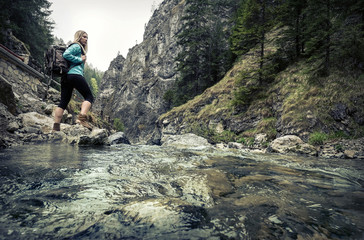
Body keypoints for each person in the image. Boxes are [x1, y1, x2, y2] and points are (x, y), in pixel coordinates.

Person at [52, 30, 94, 131]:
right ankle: (81, 119)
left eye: (87, 37)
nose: (86, 39)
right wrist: (80, 59)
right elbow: (66, 54)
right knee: (89, 97)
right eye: (84, 37)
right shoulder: (76, 46)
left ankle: (56, 127)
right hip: (75, 74)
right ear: (79, 37)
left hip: (66, 76)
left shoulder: (76, 47)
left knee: (63, 102)